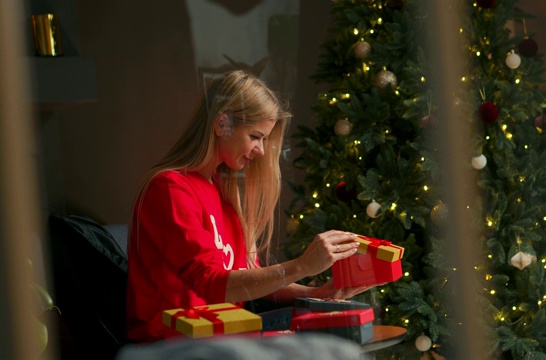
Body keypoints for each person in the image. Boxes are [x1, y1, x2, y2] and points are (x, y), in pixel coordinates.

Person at [126, 70, 368, 343]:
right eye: (255, 136)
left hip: (229, 339)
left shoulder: (222, 190)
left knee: (339, 341)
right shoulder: (169, 189)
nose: (261, 151)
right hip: (175, 346)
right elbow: (211, 284)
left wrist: (317, 294)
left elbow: (248, 280)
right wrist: (302, 266)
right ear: (222, 125)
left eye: (265, 139)